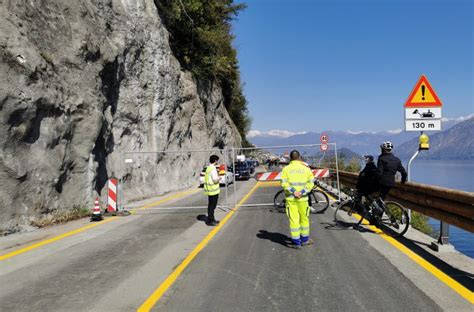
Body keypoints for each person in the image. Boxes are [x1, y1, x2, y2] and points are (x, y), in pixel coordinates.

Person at [281, 150, 315, 249]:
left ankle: (296, 242)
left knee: (294, 220)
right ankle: (305, 240)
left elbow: (284, 183)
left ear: (290, 158)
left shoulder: (286, 169)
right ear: (299, 157)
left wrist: (293, 191)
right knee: (304, 219)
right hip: (303, 199)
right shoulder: (306, 169)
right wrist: (302, 192)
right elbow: (310, 183)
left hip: (291, 199)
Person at [204, 155, 221, 226]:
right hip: (213, 190)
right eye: (217, 160)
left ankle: (211, 219)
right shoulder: (213, 169)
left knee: (210, 205)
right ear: (215, 161)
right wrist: (219, 178)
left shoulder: (208, 168)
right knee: (212, 206)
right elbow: (215, 180)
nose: (217, 162)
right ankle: (211, 220)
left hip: (209, 190)